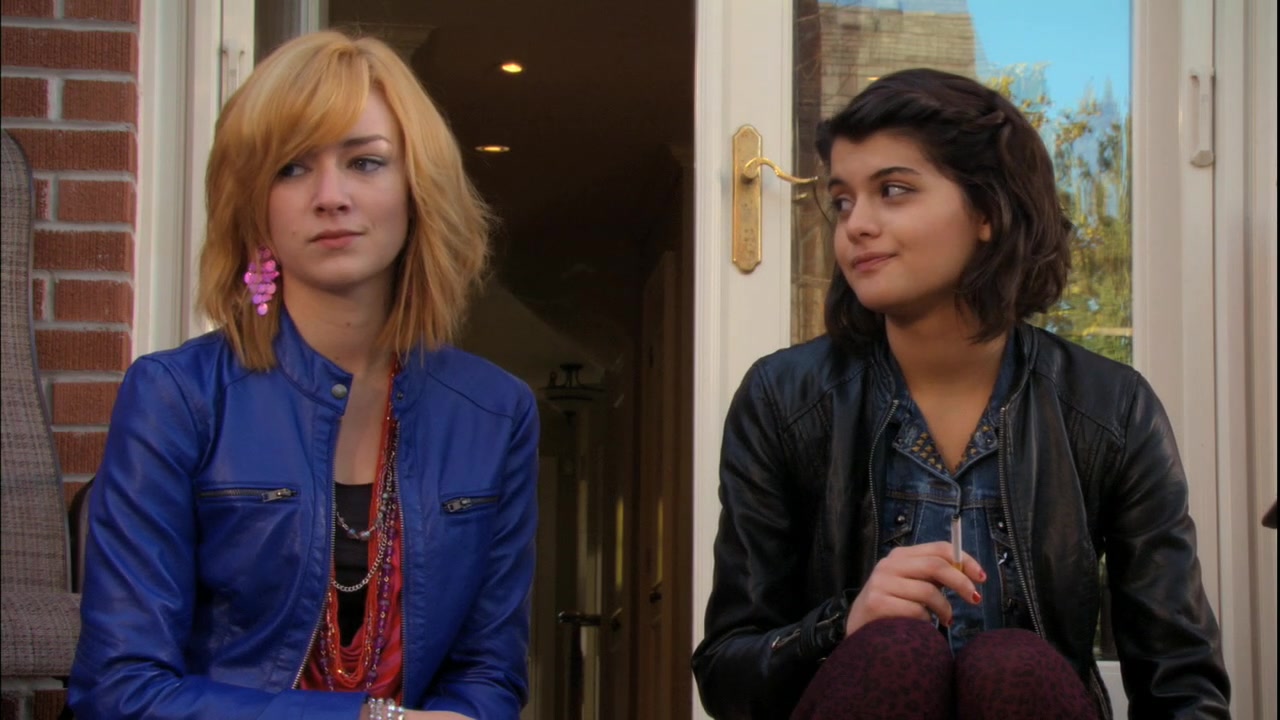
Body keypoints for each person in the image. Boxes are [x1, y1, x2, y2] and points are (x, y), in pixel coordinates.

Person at [691, 68, 1230, 719]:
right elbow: (727, 675)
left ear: (987, 212)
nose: (856, 225)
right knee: (894, 652)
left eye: (893, 190)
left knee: (1013, 665)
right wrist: (842, 625)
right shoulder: (783, 400)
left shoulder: (1111, 409)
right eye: (842, 200)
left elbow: (1182, 683)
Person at [69, 31, 538, 720]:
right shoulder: (176, 396)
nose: (330, 196)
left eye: (365, 162)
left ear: (418, 190)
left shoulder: (495, 413)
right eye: (291, 168)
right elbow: (121, 688)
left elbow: (488, 671)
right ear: (253, 205)